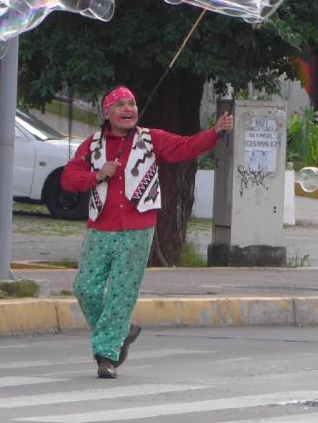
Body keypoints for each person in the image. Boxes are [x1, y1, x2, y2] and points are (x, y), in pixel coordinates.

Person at [61, 85, 233, 379]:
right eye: (120, 105)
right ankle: (121, 331)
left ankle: (106, 355)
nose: (128, 109)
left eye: (132, 104)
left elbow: (186, 147)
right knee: (85, 288)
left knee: (120, 294)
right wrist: (98, 174)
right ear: (107, 113)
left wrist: (214, 133)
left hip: (138, 228)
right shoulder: (92, 145)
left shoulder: (150, 139)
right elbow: (68, 179)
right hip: (100, 227)